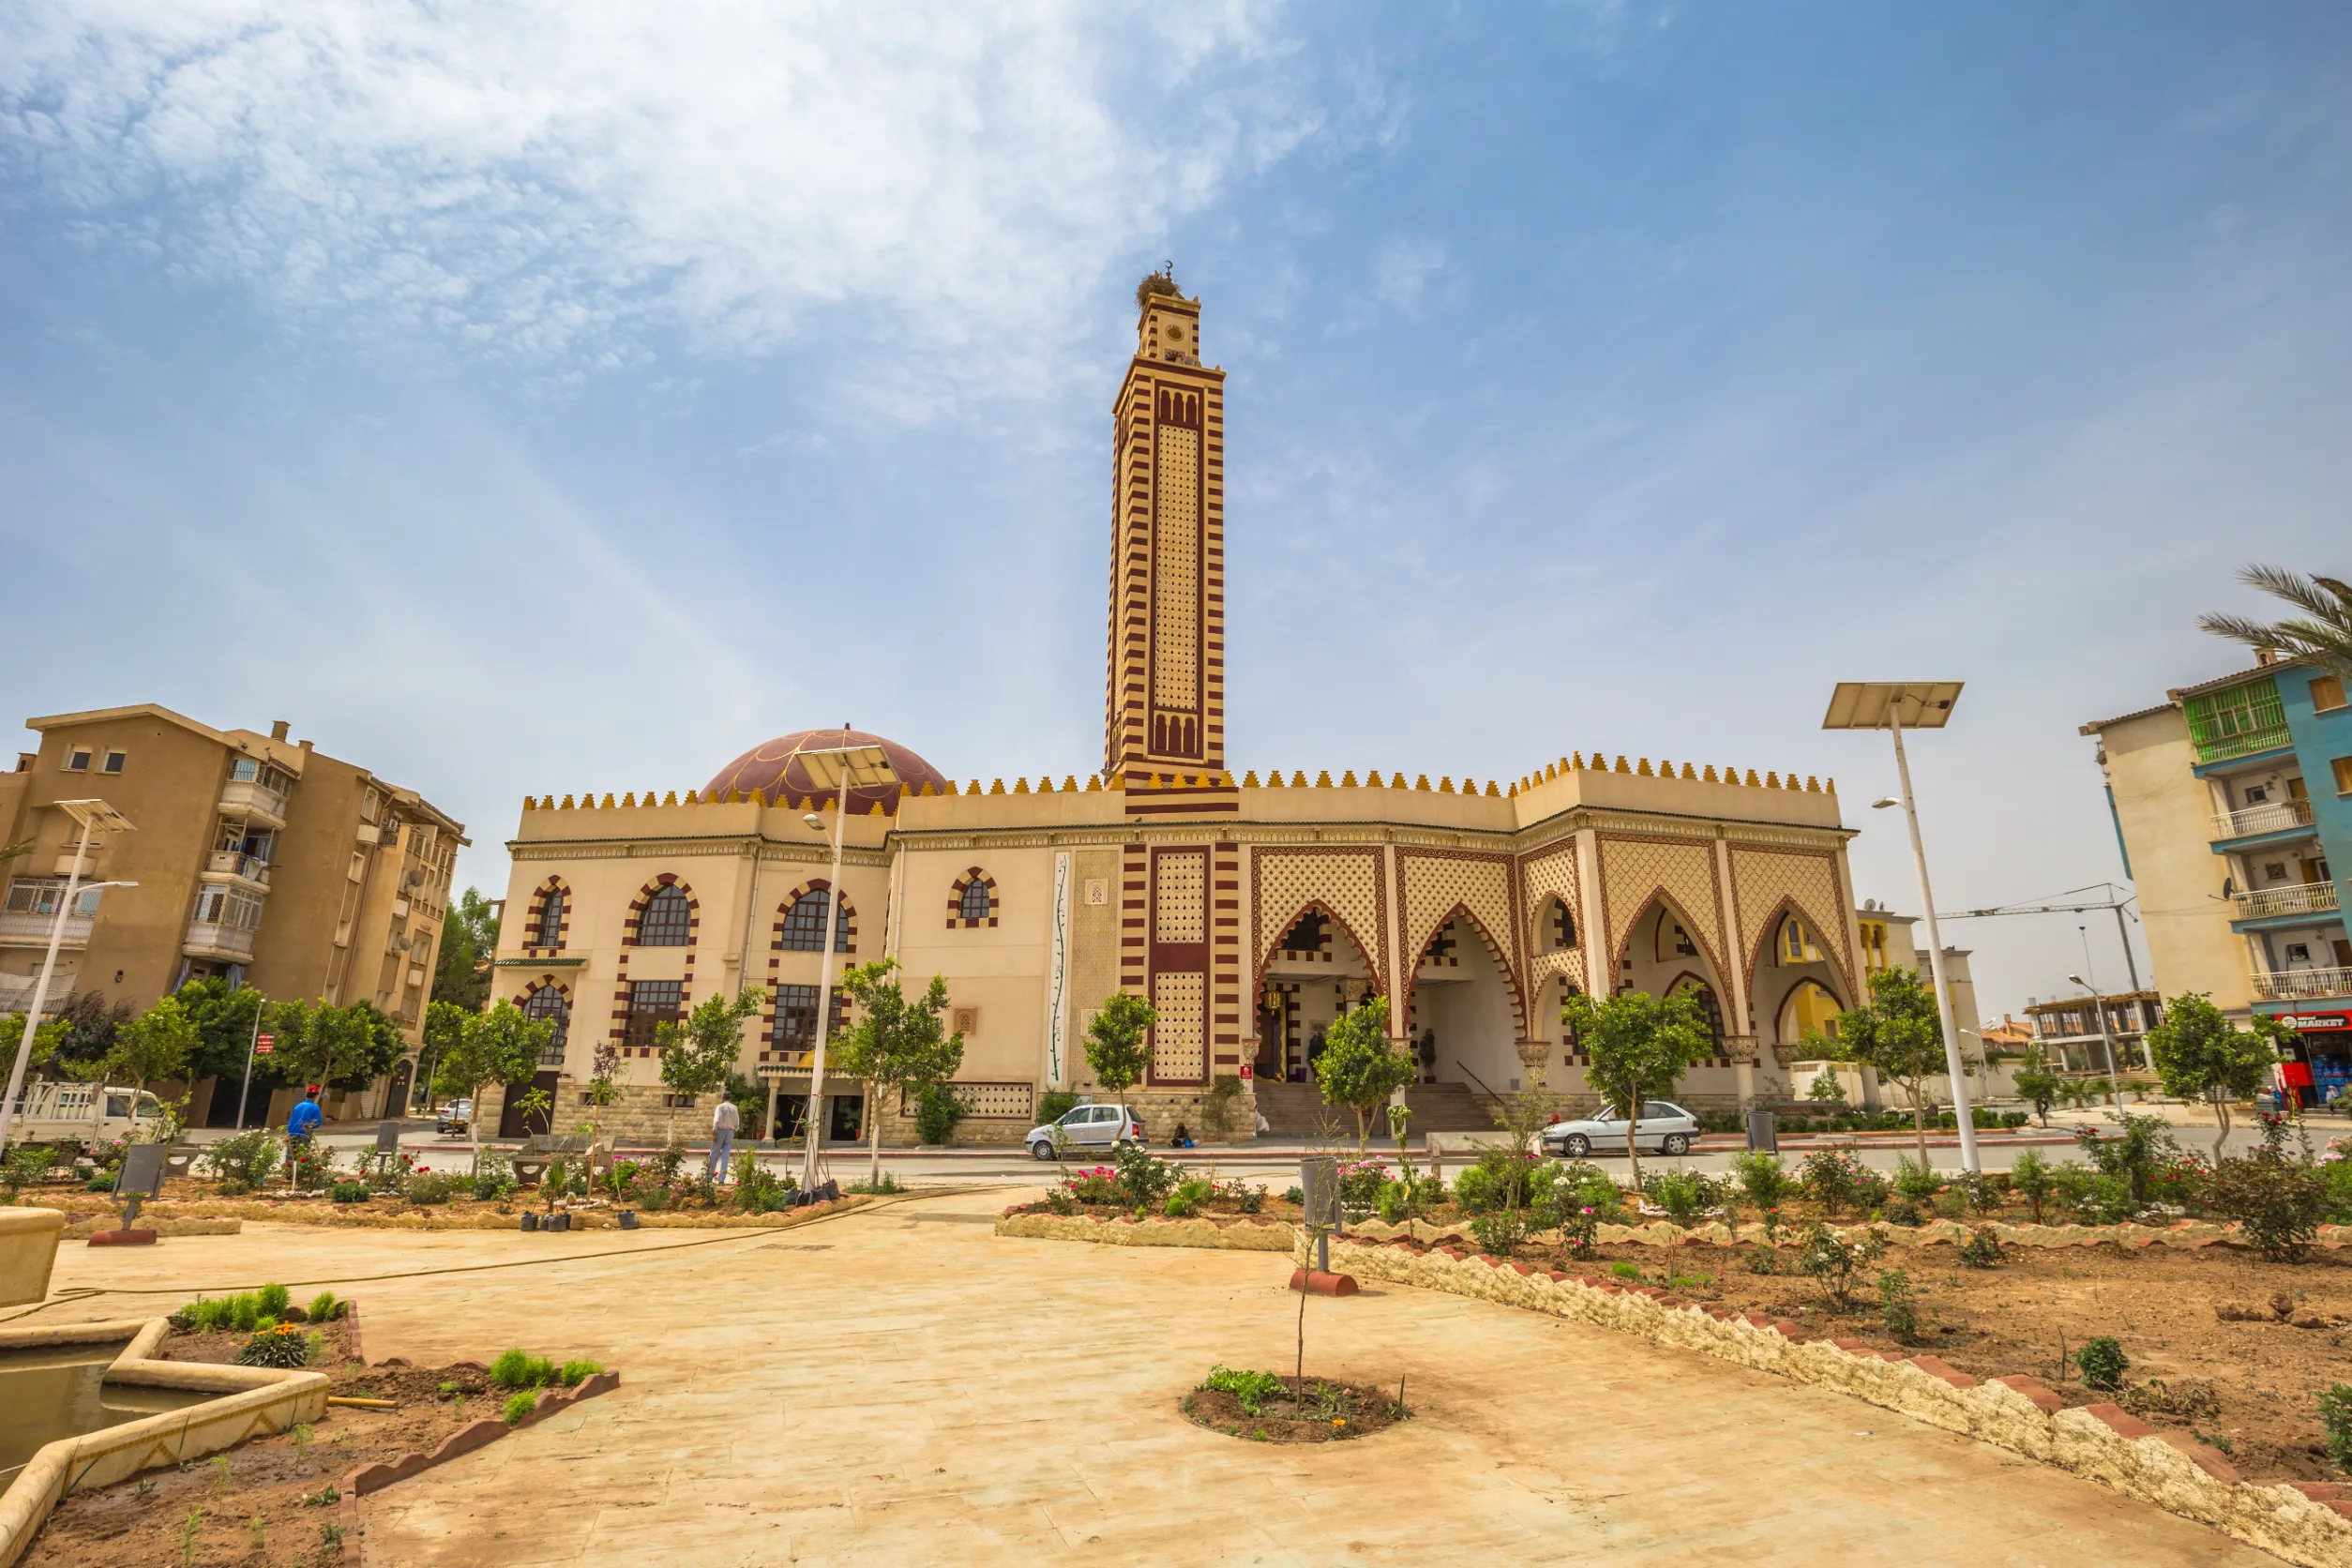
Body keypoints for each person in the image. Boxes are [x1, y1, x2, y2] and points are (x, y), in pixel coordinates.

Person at [709, 1096, 740, 1181]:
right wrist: (734, 1129)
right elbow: (737, 1122)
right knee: (725, 1156)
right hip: (730, 1132)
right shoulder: (734, 1108)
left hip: (720, 1131)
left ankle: (709, 1177)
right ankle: (721, 1179)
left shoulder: (720, 1107)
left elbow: (716, 1120)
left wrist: (714, 1134)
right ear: (730, 1098)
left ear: (722, 1098)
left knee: (714, 1154)